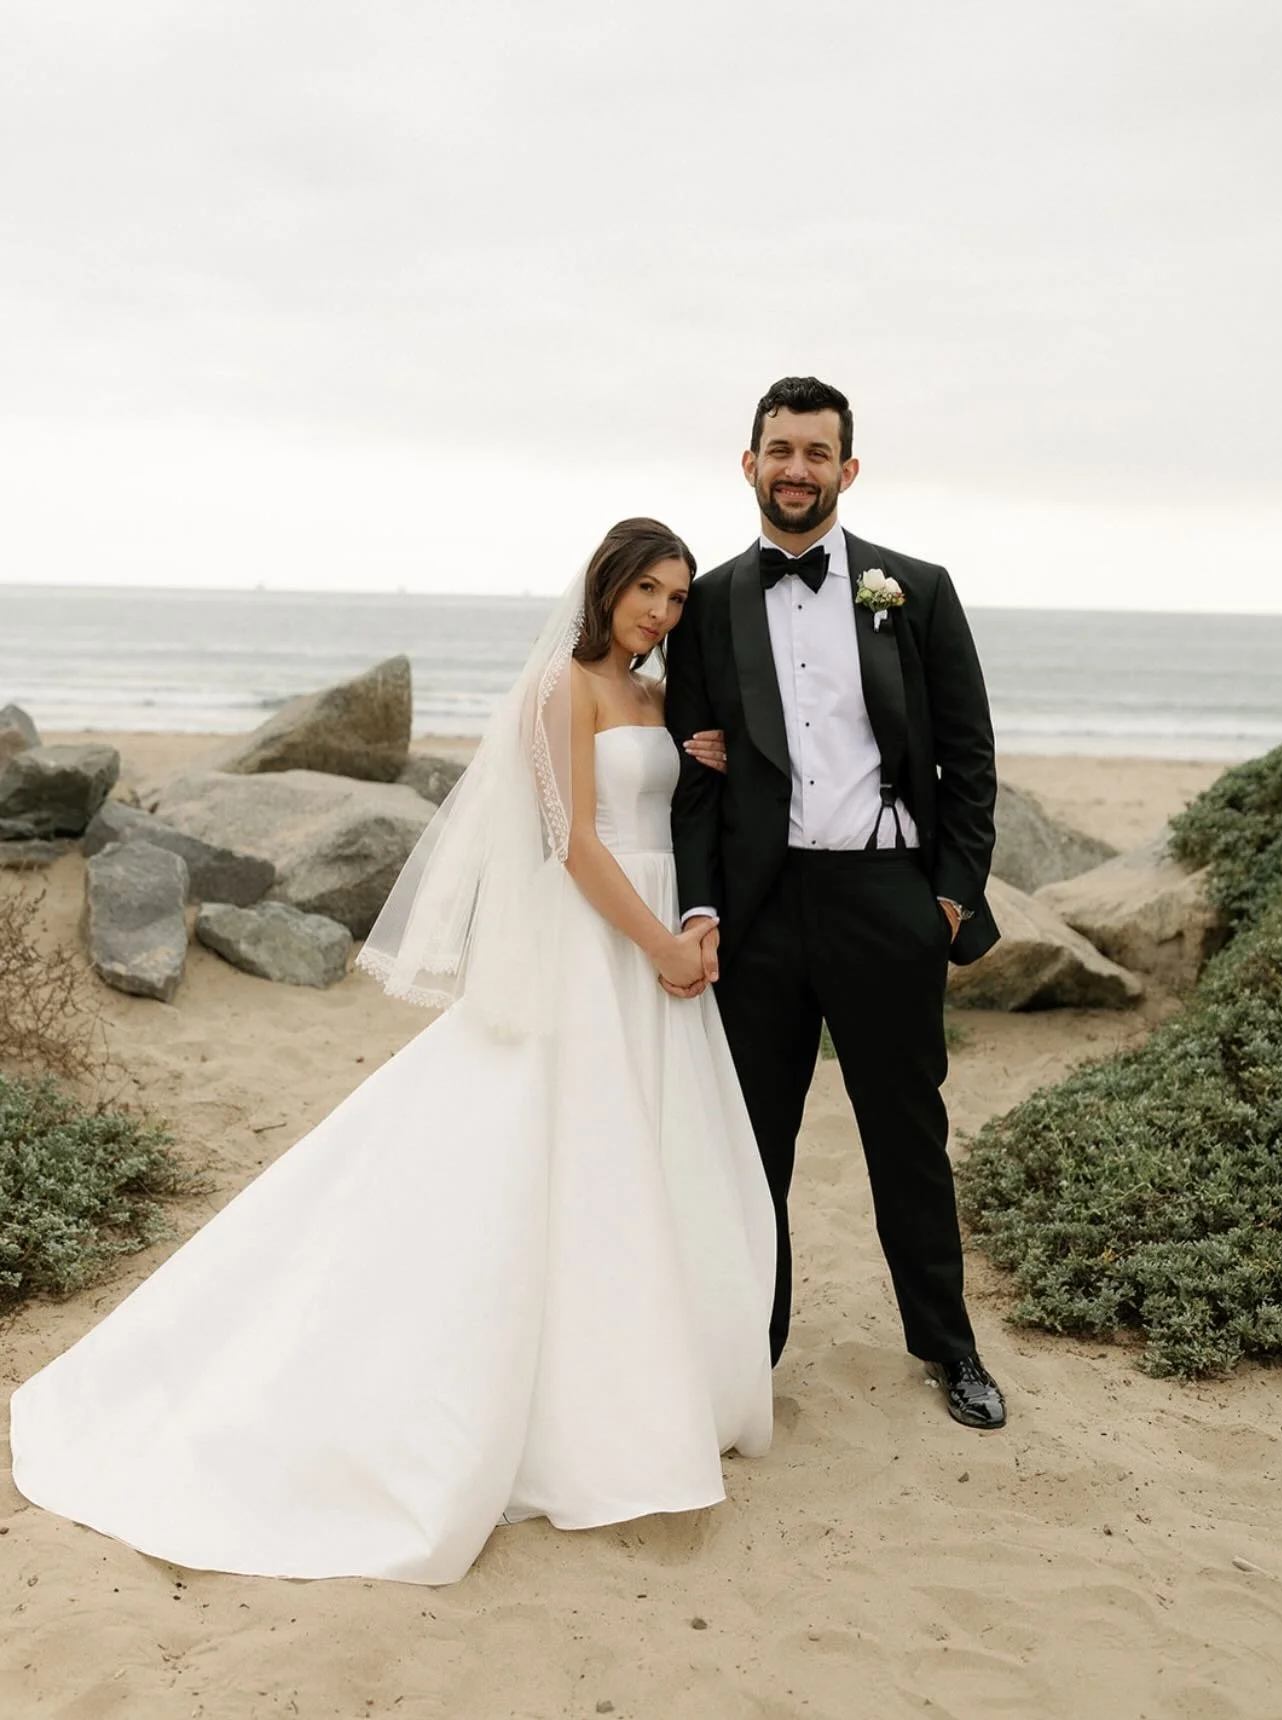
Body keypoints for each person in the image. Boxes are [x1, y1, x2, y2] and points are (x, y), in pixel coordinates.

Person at [9, 519, 776, 1585]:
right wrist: (654, 943)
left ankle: (656, 1374)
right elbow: (573, 841)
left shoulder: (657, 699)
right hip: (599, 942)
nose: (661, 611)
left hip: (661, 949)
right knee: (554, 1144)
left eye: (679, 597)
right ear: (604, 586)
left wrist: (695, 894)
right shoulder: (564, 687)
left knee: (649, 1154)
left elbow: (677, 811)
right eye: (647, 588)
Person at [665, 377, 1007, 1431]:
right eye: (780, 449)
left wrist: (946, 898)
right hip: (762, 916)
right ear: (749, 462)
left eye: (818, 452)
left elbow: (969, 757)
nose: (798, 469)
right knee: (752, 1143)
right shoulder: (709, 601)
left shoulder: (919, 590)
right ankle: (748, 1351)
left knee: (905, 1135)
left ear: (847, 470)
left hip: (884, 899)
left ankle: (947, 1348)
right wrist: (702, 909)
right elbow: (694, 779)